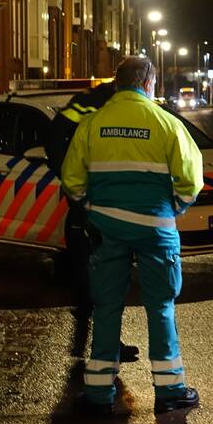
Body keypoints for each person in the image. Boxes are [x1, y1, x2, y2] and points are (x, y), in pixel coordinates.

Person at [61, 56, 204, 415]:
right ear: (149, 84)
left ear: (117, 83)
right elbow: (192, 181)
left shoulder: (93, 125)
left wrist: (92, 208)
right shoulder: (166, 123)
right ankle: (170, 392)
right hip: (156, 230)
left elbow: (72, 180)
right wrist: (174, 208)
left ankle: (98, 394)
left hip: (107, 228)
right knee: (161, 307)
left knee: (107, 307)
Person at [45, 80, 140, 364]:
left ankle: (91, 340)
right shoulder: (110, 104)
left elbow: (54, 139)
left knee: (91, 267)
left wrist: (69, 175)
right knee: (105, 268)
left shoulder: (88, 101)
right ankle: (96, 342)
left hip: (86, 196)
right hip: (101, 199)